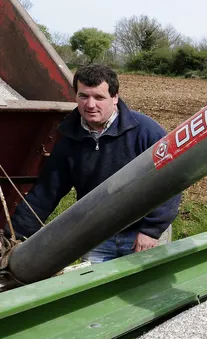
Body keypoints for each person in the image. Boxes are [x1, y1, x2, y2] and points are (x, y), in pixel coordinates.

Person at [2, 64, 181, 263]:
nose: (90, 104)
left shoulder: (145, 131)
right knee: (95, 290)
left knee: (145, 291)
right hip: (96, 235)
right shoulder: (69, 139)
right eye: (83, 96)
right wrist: (11, 237)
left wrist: (152, 230)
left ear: (115, 97)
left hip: (141, 234)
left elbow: (172, 178)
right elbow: (45, 193)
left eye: (99, 97)